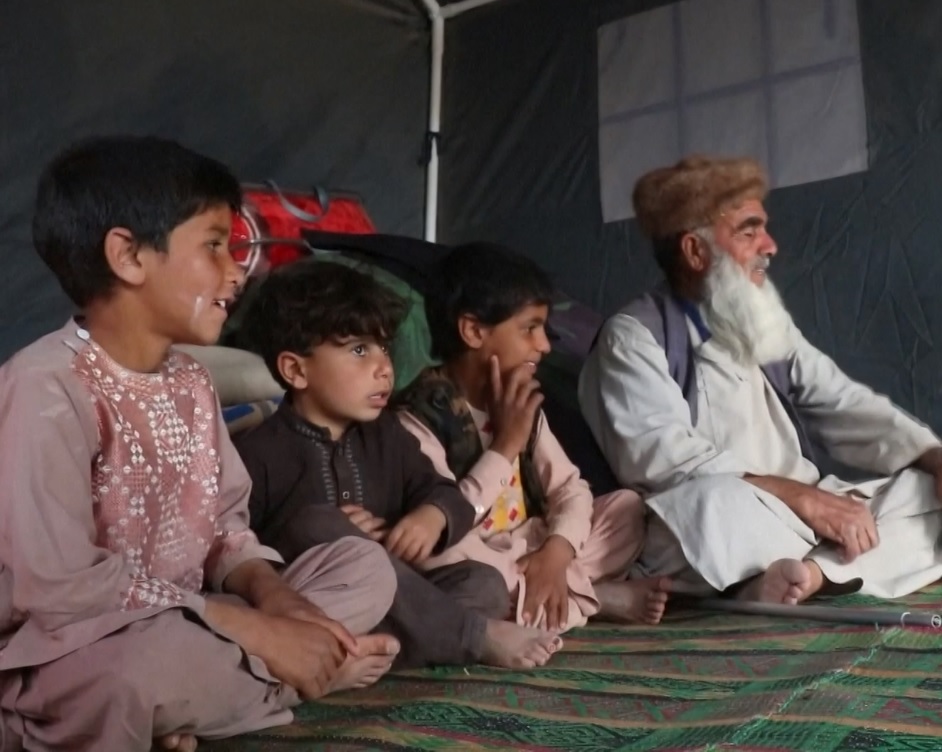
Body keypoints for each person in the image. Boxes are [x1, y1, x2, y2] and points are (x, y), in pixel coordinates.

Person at [0, 136, 400, 752]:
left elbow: (224, 531)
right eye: (215, 245)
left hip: (195, 628)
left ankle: (232, 692)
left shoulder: (190, 381)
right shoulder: (45, 387)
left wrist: (280, 604)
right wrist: (240, 624)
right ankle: (294, 678)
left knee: (365, 569)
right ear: (128, 256)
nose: (237, 270)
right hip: (74, 648)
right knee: (136, 674)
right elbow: (58, 590)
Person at [577, 156, 942, 605]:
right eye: (749, 230)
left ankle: (810, 576)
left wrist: (941, 460)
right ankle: (805, 572)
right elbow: (664, 463)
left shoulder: (757, 322)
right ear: (695, 252)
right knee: (711, 506)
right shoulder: (633, 336)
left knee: (927, 493)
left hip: (798, 517)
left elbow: (844, 403)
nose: (771, 245)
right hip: (717, 523)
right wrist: (801, 499)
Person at [234, 260, 563, 669]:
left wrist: (432, 516)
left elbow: (443, 493)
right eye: (359, 350)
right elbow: (238, 555)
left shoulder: (387, 435)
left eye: (384, 348)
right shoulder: (260, 452)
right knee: (317, 525)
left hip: (398, 596)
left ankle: (358, 654)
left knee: (484, 584)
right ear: (296, 370)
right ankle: (467, 637)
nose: (384, 367)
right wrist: (336, 540)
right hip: (313, 604)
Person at [400, 242, 668, 632]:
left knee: (626, 509)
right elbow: (446, 519)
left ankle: (548, 596)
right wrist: (506, 443)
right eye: (529, 329)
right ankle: (593, 599)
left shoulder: (522, 401)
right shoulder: (419, 418)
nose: (543, 345)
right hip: (478, 555)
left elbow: (570, 489)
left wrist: (557, 552)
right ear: (473, 330)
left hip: (533, 548)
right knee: (439, 558)